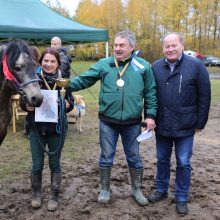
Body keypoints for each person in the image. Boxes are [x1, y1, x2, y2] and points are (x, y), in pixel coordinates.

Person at [67, 30, 157, 206]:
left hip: (132, 123)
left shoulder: (144, 66)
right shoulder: (104, 64)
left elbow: (151, 93)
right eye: (115, 45)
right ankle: (105, 189)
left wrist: (150, 115)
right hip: (108, 122)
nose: (117, 48)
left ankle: (137, 189)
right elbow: (84, 80)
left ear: (132, 47)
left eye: (121, 45)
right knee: (106, 157)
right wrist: (64, 85)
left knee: (134, 157)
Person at [149, 32, 211, 215]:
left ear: (182, 45)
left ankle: (182, 196)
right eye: (167, 46)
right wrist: (150, 117)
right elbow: (150, 95)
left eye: (174, 45)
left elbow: (204, 96)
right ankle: (161, 190)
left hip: (186, 124)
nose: (170, 49)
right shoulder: (155, 67)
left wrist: (200, 121)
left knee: (183, 162)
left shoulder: (196, 66)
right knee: (161, 159)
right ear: (163, 48)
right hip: (162, 124)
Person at [20, 48, 74, 211]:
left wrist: (68, 105)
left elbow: (71, 101)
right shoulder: (32, 78)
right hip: (36, 128)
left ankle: (54, 195)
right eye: (45, 61)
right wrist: (26, 105)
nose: (48, 64)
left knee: (54, 163)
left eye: (52, 61)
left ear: (57, 63)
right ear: (40, 62)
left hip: (56, 129)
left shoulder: (63, 80)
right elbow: (24, 98)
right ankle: (36, 194)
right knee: (37, 164)